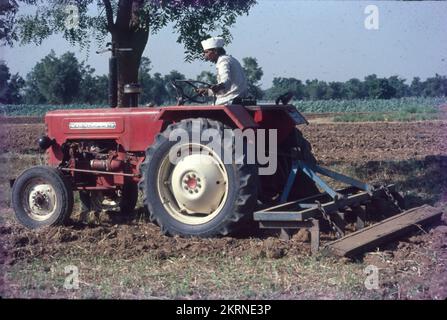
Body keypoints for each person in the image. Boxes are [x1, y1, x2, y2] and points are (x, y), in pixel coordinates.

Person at [197, 36, 248, 105]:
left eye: (206, 52)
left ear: (215, 51)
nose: (205, 55)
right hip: (237, 98)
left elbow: (225, 82)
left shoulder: (222, 61)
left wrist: (218, 87)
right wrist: (208, 91)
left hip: (229, 100)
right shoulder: (230, 59)